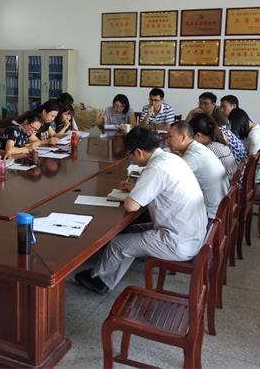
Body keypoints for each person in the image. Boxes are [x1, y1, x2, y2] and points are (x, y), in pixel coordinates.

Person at [74, 126, 207, 294]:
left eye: (130, 155)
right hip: (192, 233)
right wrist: (136, 188)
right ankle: (107, 276)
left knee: (118, 244)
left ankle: (98, 279)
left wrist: (134, 193)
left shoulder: (156, 168)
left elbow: (131, 206)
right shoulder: (171, 158)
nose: (131, 160)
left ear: (138, 152)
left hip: (178, 241)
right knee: (129, 232)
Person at [168, 121, 229, 220]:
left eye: (170, 136)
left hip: (211, 215)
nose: (167, 140)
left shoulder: (193, 156)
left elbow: (169, 179)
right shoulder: (198, 148)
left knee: (167, 206)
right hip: (220, 207)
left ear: (183, 137)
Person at [189, 114, 238, 179]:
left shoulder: (208, 149)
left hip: (227, 183)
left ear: (198, 136)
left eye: (191, 137)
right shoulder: (218, 143)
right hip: (232, 182)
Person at [228, 108, 260, 183]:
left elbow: (252, 163)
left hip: (259, 170)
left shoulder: (254, 136)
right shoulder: (255, 127)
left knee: (229, 175)